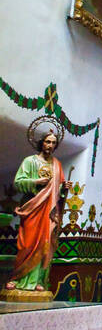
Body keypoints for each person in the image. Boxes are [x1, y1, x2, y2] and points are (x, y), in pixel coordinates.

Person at [5, 121, 68, 300]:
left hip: (48, 211)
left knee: (45, 244)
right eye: (47, 141)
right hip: (32, 208)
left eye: (53, 142)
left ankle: (39, 280)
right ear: (41, 143)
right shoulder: (30, 161)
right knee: (27, 244)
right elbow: (18, 183)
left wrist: (65, 188)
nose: (50, 145)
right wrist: (35, 182)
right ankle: (18, 278)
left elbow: (60, 190)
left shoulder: (57, 165)